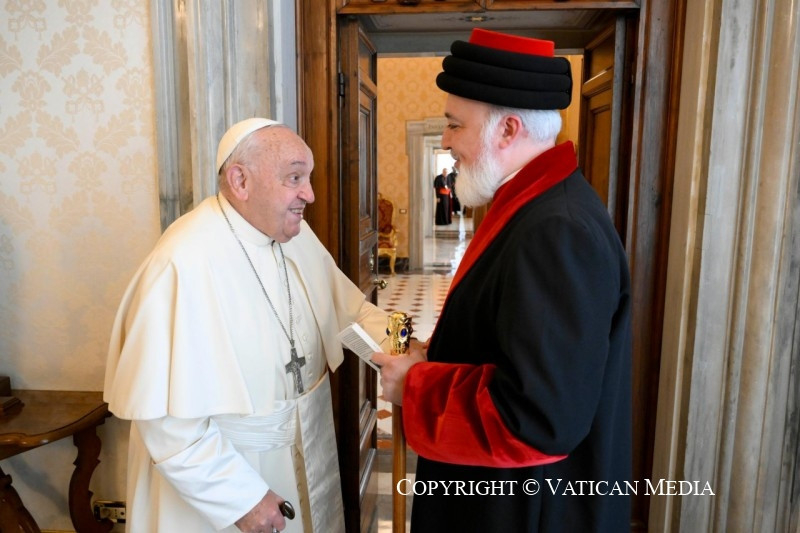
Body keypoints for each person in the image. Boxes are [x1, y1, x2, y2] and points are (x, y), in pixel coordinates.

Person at [373, 29, 632, 532]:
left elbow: (538, 416)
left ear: (508, 129)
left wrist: (416, 385)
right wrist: (435, 355)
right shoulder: (535, 206)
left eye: (455, 125)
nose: (446, 141)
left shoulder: (557, 229)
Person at [104, 118, 388, 533]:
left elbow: (349, 312)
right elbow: (165, 422)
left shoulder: (294, 234)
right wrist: (241, 498)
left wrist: (401, 348)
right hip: (230, 476)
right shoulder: (183, 262)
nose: (309, 194)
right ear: (241, 181)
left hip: (309, 449)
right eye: (295, 178)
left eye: (308, 178)